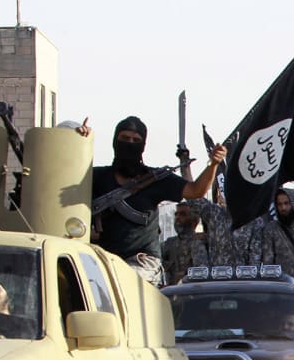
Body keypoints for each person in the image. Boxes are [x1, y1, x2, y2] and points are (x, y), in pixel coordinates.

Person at [88, 116, 226, 286]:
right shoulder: (97, 177)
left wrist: (213, 164)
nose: (130, 143)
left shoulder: (155, 180)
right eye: (124, 139)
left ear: (143, 146)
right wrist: (79, 140)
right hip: (103, 259)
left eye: (135, 140)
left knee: (122, 284)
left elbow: (196, 190)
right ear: (115, 141)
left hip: (142, 262)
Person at [161, 202, 208, 285]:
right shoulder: (169, 244)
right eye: (176, 214)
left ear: (195, 221)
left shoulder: (202, 243)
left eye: (183, 214)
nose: (177, 217)